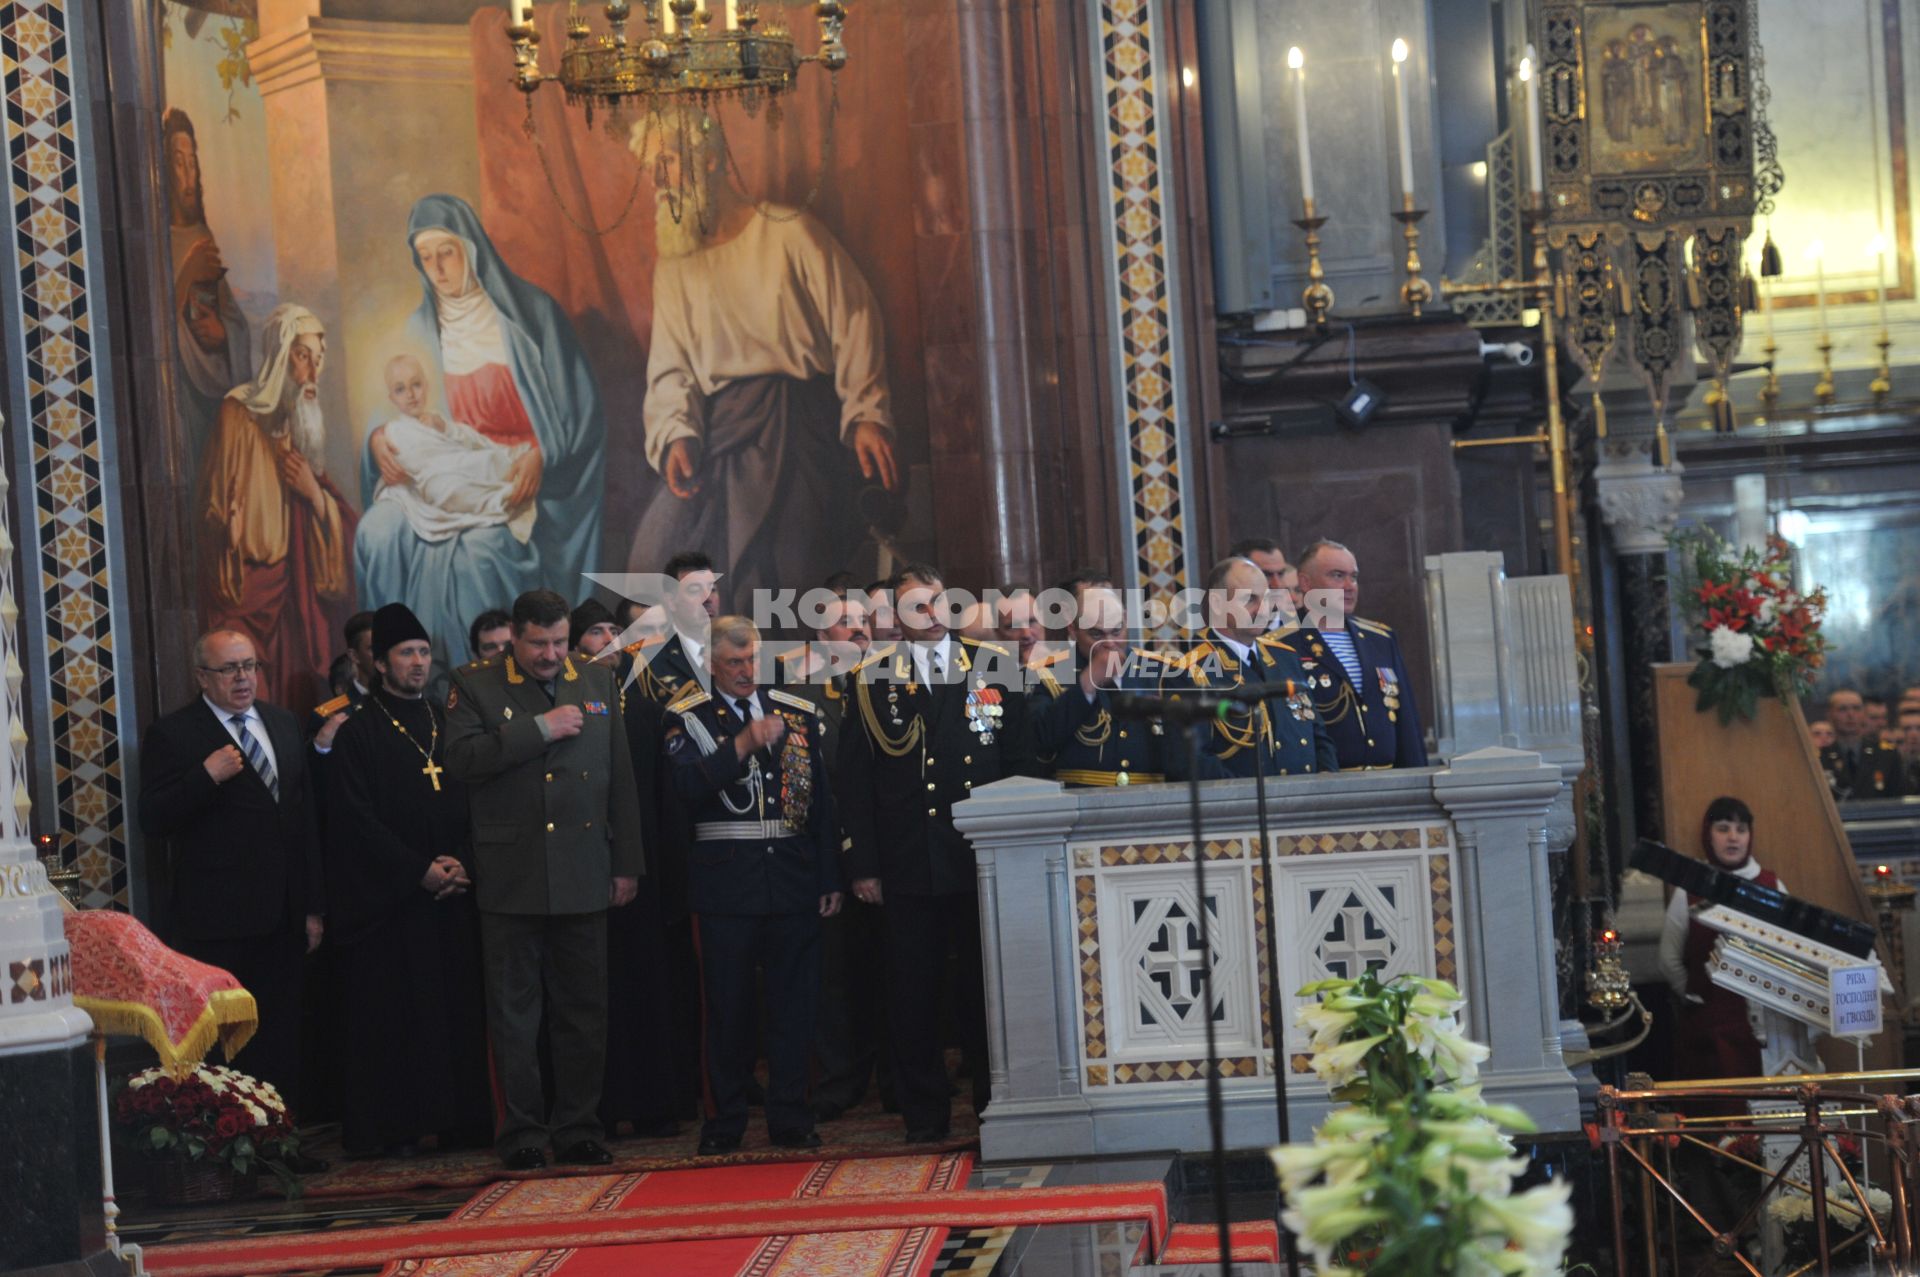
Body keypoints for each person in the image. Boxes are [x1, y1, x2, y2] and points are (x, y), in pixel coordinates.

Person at [626, 110, 900, 607]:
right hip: (721, 437)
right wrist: (677, 432)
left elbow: (855, 317)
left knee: (790, 573)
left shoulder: (789, 232)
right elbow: (670, 366)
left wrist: (865, 414)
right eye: (651, 167)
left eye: (667, 159)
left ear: (709, 161)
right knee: (654, 557)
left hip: (798, 431)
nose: (658, 179)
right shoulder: (676, 266)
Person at [442, 589, 645, 1169]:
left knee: (585, 1010)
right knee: (515, 1014)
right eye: (539, 643)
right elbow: (461, 761)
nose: (552, 654)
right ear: (515, 635)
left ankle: (579, 1126)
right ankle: (524, 1134)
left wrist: (626, 861)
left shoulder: (597, 679)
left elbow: (619, 777)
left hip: (585, 865)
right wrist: (538, 729)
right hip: (513, 874)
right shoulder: (474, 681)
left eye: (559, 641)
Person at [837, 562, 1035, 1141]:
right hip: (906, 862)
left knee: (983, 994)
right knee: (912, 996)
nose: (929, 614)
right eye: (916, 606)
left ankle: (995, 1109)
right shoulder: (872, 680)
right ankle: (924, 1118)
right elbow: (856, 783)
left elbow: (1020, 761)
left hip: (980, 859)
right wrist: (863, 864)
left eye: (936, 602)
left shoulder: (995, 667)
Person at [360, 194, 606, 655]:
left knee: (480, 552)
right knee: (377, 532)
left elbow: (582, 412)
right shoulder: (420, 329)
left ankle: (480, 683)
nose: (438, 269)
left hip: (518, 475)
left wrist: (541, 454)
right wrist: (376, 440)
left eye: (446, 253)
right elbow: (391, 409)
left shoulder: (531, 315)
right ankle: (399, 676)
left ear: (471, 249)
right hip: (444, 472)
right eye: (425, 258)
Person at [137, 630, 326, 1154]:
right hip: (217, 922)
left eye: (250, 666)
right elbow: (153, 818)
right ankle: (234, 1153)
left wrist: (312, 907)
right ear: (202, 677)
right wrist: (205, 776)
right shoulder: (174, 734)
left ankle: (283, 1147)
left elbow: (303, 820)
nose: (243, 678)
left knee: (283, 1035)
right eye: (229, 669)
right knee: (230, 1044)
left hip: (284, 915)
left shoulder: (282, 723)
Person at [664, 618, 842, 1154]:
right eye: (734, 663)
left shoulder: (794, 711)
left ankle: (791, 1116)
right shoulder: (687, 716)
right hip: (727, 888)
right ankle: (725, 1123)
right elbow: (686, 788)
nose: (746, 672)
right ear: (711, 664)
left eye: (752, 660)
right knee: (728, 1010)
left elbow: (822, 804)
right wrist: (739, 744)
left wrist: (829, 874)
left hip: (791, 878)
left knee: (794, 1007)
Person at [322, 604, 490, 1157]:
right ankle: (395, 1127)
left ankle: (462, 1121)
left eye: (422, 652)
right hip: (392, 905)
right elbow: (354, 820)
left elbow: (480, 801)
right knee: (397, 1018)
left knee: (457, 1013)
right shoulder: (358, 732)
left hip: (454, 898)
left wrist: (464, 860)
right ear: (379, 663)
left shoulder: (449, 721)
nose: (417, 663)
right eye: (405, 654)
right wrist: (418, 871)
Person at [197, 303, 357, 717]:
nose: (312, 374)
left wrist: (315, 496)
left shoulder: (300, 428)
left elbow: (336, 514)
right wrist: (227, 529)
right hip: (243, 589)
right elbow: (215, 505)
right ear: (279, 353)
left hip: (290, 594)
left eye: (318, 361)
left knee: (294, 705)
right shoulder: (238, 413)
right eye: (303, 356)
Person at [782, 591, 894, 1121]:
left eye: (863, 621)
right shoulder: (800, 694)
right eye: (843, 623)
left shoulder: (894, 685)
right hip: (825, 852)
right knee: (833, 975)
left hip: (889, 850)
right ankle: (838, 1079)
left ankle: (893, 1076)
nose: (857, 630)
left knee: (892, 972)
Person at [1173, 557, 1337, 778]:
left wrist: (1327, 781)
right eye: (1250, 599)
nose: (1263, 609)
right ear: (1217, 603)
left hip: (1308, 800)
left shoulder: (1285, 656)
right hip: (1244, 807)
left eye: (1267, 598)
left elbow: (1317, 733)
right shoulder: (1191, 670)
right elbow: (1195, 760)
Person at [1658, 797, 1782, 1083]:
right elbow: (1668, 959)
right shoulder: (1690, 888)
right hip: (1708, 1029)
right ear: (1708, 834)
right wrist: (1695, 997)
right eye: (1723, 828)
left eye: (1741, 829)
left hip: (1765, 1028)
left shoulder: (1771, 886)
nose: (1733, 838)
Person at [1289, 540, 1428, 770]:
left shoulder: (1380, 639)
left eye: (1353, 577)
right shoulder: (1283, 644)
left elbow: (1406, 723)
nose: (1349, 585)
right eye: (1337, 576)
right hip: (1324, 786)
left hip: (1388, 782)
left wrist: (1417, 780)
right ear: (1305, 582)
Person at [164, 108, 251, 464]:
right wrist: (186, 276)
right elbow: (147, 327)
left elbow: (234, 320)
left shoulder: (202, 234)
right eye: (177, 163)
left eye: (192, 162)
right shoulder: (156, 240)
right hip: (181, 399)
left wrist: (224, 335)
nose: (187, 174)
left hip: (214, 392)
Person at [1033, 581, 1177, 786]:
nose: (1109, 643)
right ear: (1073, 629)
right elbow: (1039, 740)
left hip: (1155, 799)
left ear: (1126, 620)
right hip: (1080, 800)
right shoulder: (1048, 675)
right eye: (1096, 634)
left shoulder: (1161, 673)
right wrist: (1086, 684)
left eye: (1117, 631)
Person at [634, 551, 720, 704]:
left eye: (712, 589)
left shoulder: (741, 653)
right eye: (695, 590)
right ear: (671, 601)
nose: (708, 599)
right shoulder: (644, 660)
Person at [309, 611, 376, 744]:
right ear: (354, 656)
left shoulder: (407, 702)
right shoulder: (328, 714)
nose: (383, 653)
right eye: (373, 648)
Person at [1822, 688, 1898, 800]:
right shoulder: (1820, 758)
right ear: (1830, 715)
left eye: (1856, 708)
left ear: (1864, 714)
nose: (1850, 715)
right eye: (1842, 709)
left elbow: (1899, 798)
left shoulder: (1886, 755)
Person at [1228, 536, 1298, 629]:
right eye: (1266, 575)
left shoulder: (1306, 636)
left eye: (1281, 574)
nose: (1277, 585)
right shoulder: (1212, 641)